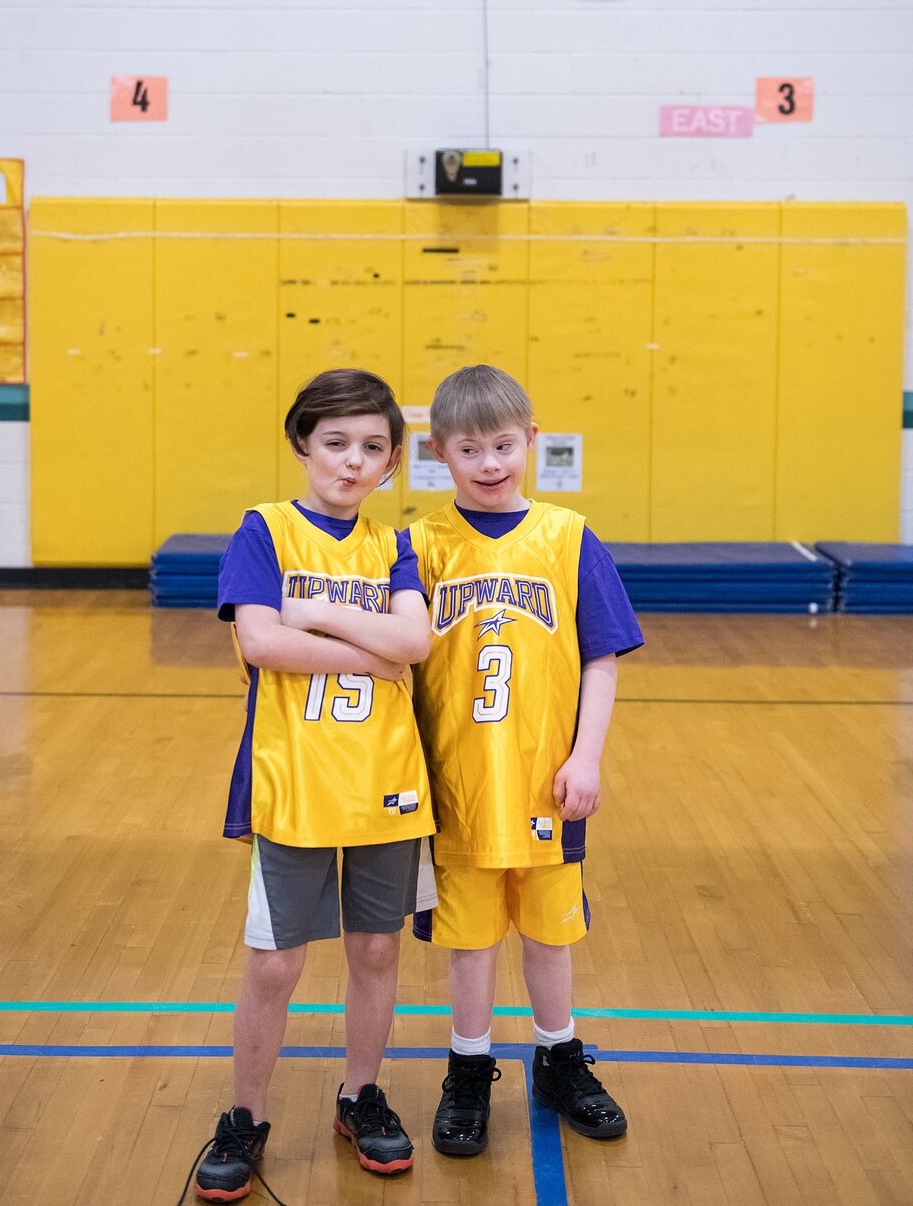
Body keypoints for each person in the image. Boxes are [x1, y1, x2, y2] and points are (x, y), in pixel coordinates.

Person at [191, 369, 436, 1203]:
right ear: (302, 445)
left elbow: (419, 639)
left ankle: (360, 1096)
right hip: (291, 780)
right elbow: (262, 643)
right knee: (275, 966)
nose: (352, 462)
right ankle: (245, 1116)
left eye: (372, 448)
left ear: (394, 462)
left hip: (386, 780)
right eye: (335, 443)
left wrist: (320, 616)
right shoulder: (263, 531)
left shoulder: (393, 544)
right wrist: (380, 652)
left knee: (375, 949)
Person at [407, 364, 644, 1158]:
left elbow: (604, 657)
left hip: (549, 784)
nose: (489, 463)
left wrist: (588, 756)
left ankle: (558, 1055)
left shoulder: (569, 536)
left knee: (550, 934)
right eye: (469, 449)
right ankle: (467, 1069)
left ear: (533, 440)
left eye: (504, 444)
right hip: (457, 789)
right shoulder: (421, 545)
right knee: (469, 942)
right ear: (439, 452)